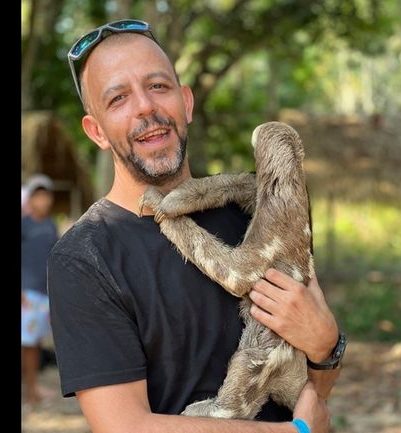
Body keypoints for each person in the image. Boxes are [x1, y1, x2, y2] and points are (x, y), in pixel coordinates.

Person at [47, 19, 344, 433]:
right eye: (118, 99)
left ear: (185, 102)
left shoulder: (251, 210)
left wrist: (327, 346)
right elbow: (124, 426)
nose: (145, 108)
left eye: (158, 87)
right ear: (96, 131)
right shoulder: (84, 257)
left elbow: (314, 386)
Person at [21, 173, 59, 405]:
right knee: (27, 343)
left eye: (46, 196)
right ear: (30, 199)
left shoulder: (50, 225)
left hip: (44, 294)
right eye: (38, 196)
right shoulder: (24, 224)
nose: (42, 201)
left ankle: (33, 389)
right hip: (26, 294)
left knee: (34, 343)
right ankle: (31, 392)